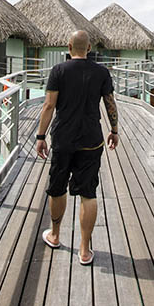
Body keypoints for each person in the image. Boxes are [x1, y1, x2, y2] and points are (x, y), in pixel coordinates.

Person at [34, 30, 118, 265]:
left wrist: (40, 136)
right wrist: (115, 130)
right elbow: (110, 103)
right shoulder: (101, 72)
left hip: (62, 139)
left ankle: (55, 234)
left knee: (57, 187)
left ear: (69, 47)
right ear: (89, 48)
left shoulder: (59, 70)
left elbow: (49, 105)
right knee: (88, 193)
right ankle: (84, 249)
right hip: (91, 140)